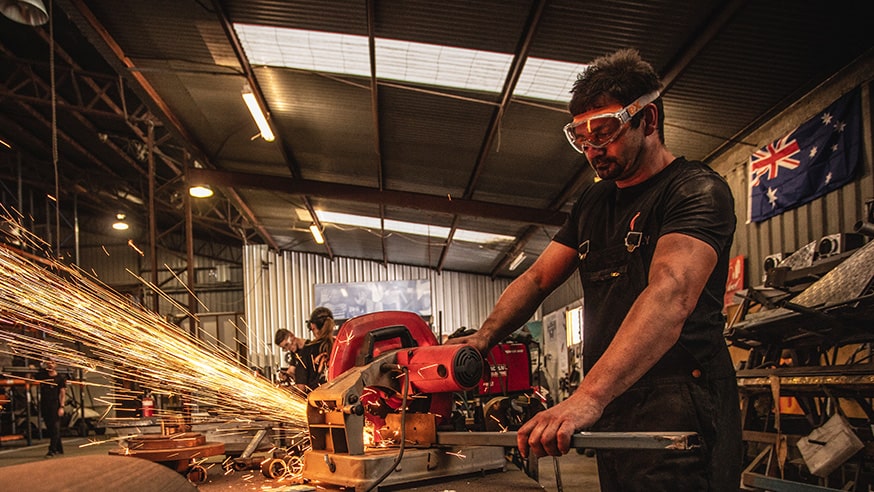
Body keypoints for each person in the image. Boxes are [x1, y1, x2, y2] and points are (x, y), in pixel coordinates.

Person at [448, 49, 741, 491]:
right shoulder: (594, 201)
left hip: (681, 405)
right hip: (617, 399)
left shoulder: (695, 191)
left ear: (649, 119)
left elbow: (671, 293)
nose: (592, 150)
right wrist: (482, 340)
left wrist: (587, 397)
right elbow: (538, 278)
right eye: (581, 138)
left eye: (604, 133)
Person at [293, 307, 335, 392]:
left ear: (312, 326)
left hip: (316, 401)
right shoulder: (340, 345)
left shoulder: (307, 350)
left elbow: (301, 387)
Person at [36, 359, 67, 457]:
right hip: (45, 405)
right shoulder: (42, 376)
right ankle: (59, 448)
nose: (50, 365)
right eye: (48, 363)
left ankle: (52, 450)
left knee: (55, 427)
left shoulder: (60, 378)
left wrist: (62, 406)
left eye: (52, 363)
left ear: (55, 365)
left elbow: (62, 394)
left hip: (55, 405)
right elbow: (31, 378)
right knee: (50, 428)